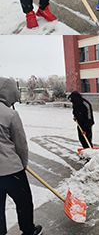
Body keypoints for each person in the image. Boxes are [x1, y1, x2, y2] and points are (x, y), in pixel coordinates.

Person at [0, 77, 43, 235]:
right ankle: (28, 230)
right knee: (24, 201)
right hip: (11, 170)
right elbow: (21, 144)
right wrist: (23, 163)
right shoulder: (10, 114)